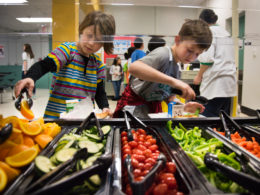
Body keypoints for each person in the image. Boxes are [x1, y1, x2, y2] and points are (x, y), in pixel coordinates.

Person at [14, 11, 116, 119]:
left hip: (84, 120)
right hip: (57, 119)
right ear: (81, 30)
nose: (91, 43)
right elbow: (44, 65)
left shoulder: (98, 64)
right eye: (89, 35)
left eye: (99, 41)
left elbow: (99, 92)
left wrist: (105, 107)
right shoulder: (67, 51)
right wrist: (31, 77)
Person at [113, 19, 212, 118]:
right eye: (190, 50)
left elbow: (170, 100)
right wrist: (174, 82)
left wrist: (185, 108)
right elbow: (134, 68)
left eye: (197, 54)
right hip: (133, 110)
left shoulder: (176, 68)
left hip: (150, 113)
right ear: (177, 40)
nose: (192, 57)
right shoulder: (163, 54)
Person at [193, 9, 237, 117]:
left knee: (208, 119)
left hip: (215, 85)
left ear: (201, 21)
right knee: (224, 121)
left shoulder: (208, 33)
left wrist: (199, 76)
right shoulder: (226, 34)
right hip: (229, 84)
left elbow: (207, 60)